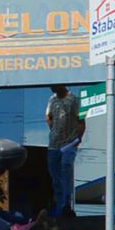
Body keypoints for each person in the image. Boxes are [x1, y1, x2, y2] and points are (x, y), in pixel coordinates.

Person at [44, 84, 84, 218]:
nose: (51, 87)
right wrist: (54, 130)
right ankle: (59, 205)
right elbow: (48, 117)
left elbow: (81, 121)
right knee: (55, 176)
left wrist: (78, 138)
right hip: (54, 145)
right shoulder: (52, 99)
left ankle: (66, 204)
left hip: (69, 142)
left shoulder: (73, 99)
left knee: (66, 168)